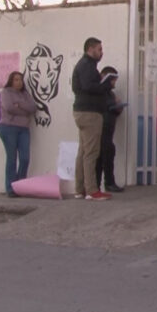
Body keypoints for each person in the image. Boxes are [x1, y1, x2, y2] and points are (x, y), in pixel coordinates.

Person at [71, 36, 113, 201]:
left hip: (82, 111)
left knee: (83, 151)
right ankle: (91, 190)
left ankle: (80, 189)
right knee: (91, 152)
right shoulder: (87, 66)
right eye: (99, 49)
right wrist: (105, 84)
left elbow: (80, 87)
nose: (101, 52)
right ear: (90, 49)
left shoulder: (83, 65)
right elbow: (89, 86)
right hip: (90, 113)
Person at [0, 71, 37, 197]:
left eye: (20, 80)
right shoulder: (6, 92)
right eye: (16, 80)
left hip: (23, 129)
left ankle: (20, 185)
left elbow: (33, 108)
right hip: (9, 128)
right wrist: (24, 110)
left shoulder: (25, 94)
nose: (19, 82)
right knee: (12, 158)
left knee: (25, 158)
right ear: (11, 81)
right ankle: (10, 188)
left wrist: (19, 104)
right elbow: (9, 107)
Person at [96, 66, 126, 193]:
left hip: (109, 128)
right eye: (113, 80)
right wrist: (114, 103)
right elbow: (104, 105)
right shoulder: (100, 91)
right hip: (101, 128)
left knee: (109, 153)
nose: (114, 83)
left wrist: (119, 107)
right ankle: (100, 183)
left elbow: (114, 110)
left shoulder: (110, 93)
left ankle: (108, 182)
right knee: (101, 156)